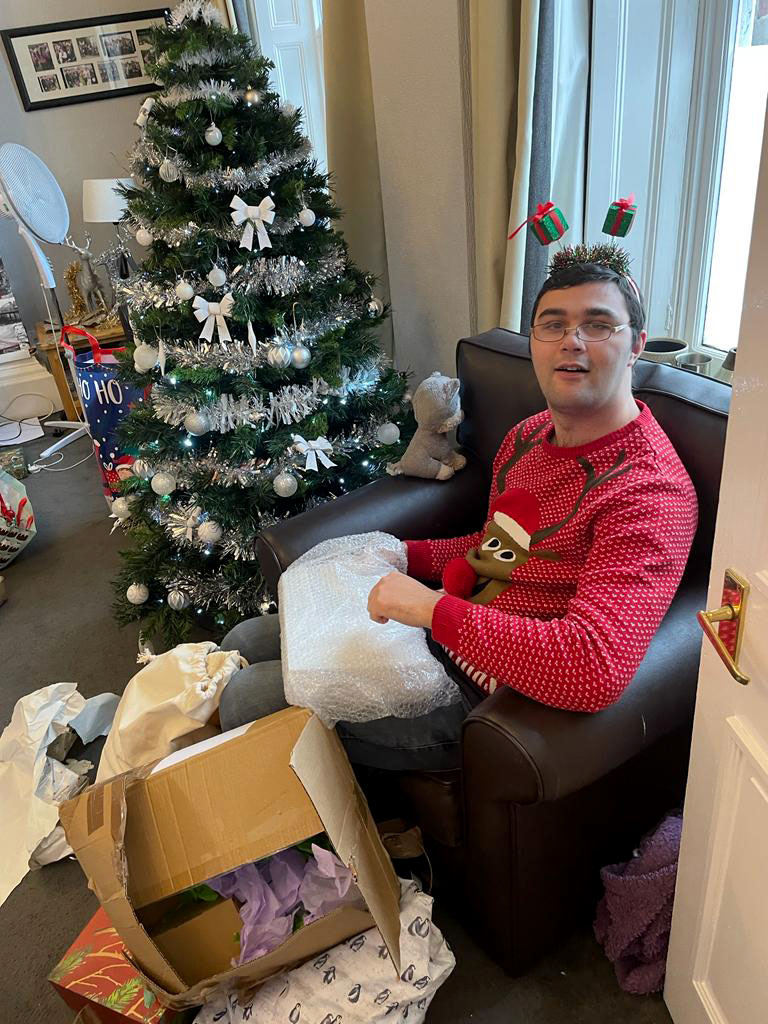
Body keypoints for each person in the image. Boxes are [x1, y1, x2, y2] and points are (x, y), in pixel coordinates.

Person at [219, 254, 698, 771]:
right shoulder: (527, 437)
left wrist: (429, 610)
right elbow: (501, 551)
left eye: (598, 325)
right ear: (534, 341)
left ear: (636, 345)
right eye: (553, 324)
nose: (572, 341)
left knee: (246, 696)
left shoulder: (650, 492)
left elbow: (593, 667)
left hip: (485, 695)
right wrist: (403, 555)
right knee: (245, 640)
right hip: (444, 632)